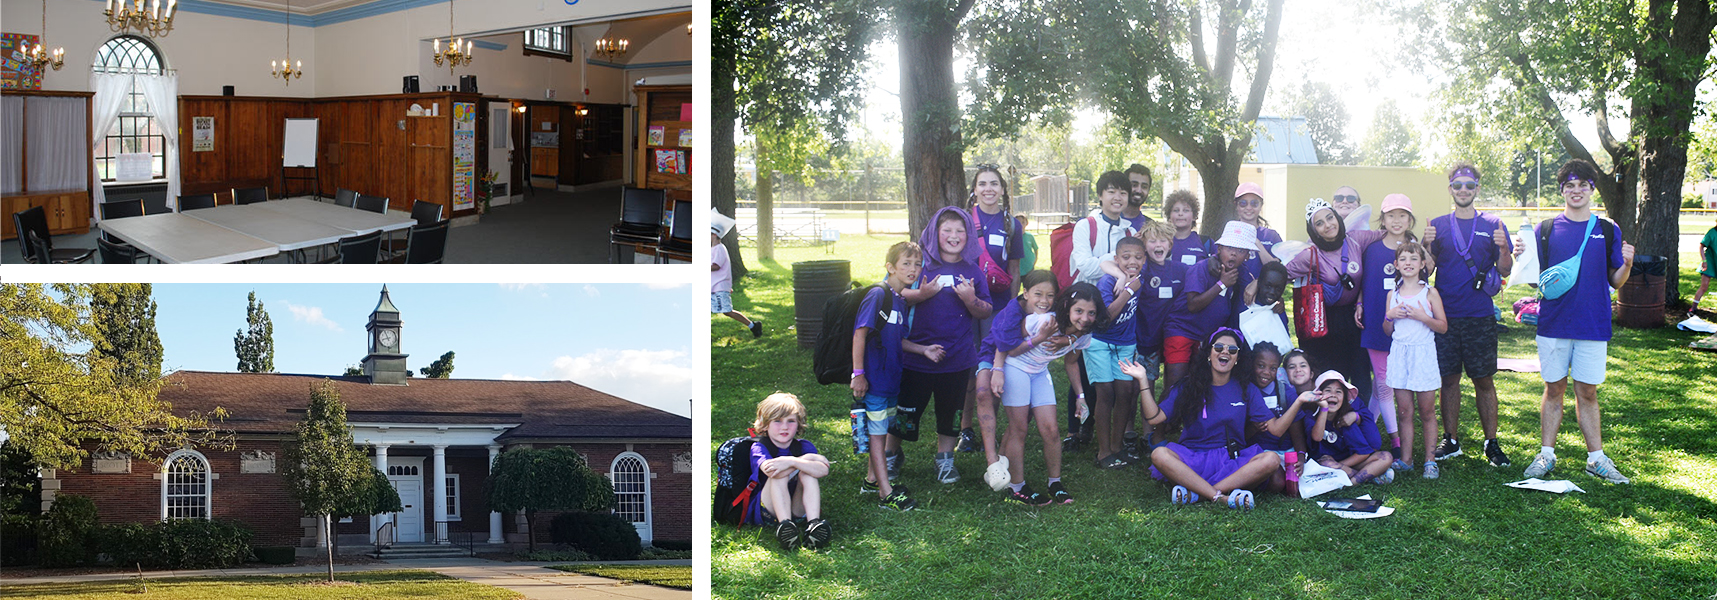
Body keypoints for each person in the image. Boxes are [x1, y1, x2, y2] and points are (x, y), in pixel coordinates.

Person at [1519, 159, 1635, 484]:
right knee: (1553, 389)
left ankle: (1596, 459)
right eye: (1570, 185)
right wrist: (1522, 260)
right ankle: (1546, 455)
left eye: (1583, 185)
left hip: (1592, 324)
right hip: (1553, 324)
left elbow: (1616, 281)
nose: (1576, 190)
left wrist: (1627, 264)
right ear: (1562, 191)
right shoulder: (1546, 230)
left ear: (1592, 189)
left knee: (1587, 392)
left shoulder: (1607, 229)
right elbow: (1536, 283)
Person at [1119, 328, 1313, 510]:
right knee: (1159, 454)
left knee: (1270, 459)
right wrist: (1143, 380)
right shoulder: (1188, 385)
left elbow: (1276, 429)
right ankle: (1220, 497)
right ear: (1209, 354)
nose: (1225, 352)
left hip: (1230, 460)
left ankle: (1200, 494)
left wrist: (1298, 402)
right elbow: (1154, 418)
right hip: (1191, 459)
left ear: (1237, 358)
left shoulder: (1247, 389)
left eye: (1233, 349)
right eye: (1219, 347)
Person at [1422, 163, 1514, 468]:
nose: (1463, 190)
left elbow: (1505, 270)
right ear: (1450, 189)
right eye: (1458, 185)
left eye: (1469, 186)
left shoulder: (1493, 223)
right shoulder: (1437, 225)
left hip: (1479, 316)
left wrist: (1503, 249)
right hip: (1444, 317)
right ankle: (1452, 440)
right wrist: (1425, 244)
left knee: (1483, 380)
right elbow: (1428, 269)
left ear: (1476, 189)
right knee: (1449, 380)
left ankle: (1492, 442)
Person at [897, 207, 993, 486]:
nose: (954, 236)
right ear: (935, 234)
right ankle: (892, 453)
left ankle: (945, 460)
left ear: (969, 235)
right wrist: (922, 294)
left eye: (960, 231)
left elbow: (985, 310)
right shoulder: (920, 265)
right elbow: (896, 295)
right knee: (906, 411)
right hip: (915, 356)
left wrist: (970, 299)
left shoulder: (972, 269)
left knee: (950, 412)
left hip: (957, 357)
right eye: (947, 230)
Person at [997, 282, 1106, 505]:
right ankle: (1016, 487)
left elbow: (1071, 362)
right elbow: (1006, 342)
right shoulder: (1045, 321)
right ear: (1067, 307)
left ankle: (1054, 482)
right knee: (1019, 428)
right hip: (1016, 367)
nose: (1084, 318)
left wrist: (1080, 396)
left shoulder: (1084, 334)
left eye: (1091, 313)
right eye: (1079, 311)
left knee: (1052, 430)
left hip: (1039, 372)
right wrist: (997, 370)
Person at [852, 241, 940, 511]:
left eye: (917, 264)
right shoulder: (879, 294)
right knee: (878, 437)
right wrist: (858, 374)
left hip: (891, 381)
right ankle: (885, 492)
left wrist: (923, 350)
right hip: (875, 382)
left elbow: (896, 339)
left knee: (883, 429)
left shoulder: (899, 300)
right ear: (890, 267)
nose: (913, 269)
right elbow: (860, 334)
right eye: (906, 263)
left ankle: (870, 480)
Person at [1285, 198, 1386, 418]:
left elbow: (1387, 236)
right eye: (1319, 223)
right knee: (1331, 378)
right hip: (1324, 323)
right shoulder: (1310, 254)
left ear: (1338, 218)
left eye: (1330, 217)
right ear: (1314, 231)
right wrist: (1262, 289)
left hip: (1356, 318)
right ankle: (1330, 427)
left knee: (1360, 376)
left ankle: (1360, 422)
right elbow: (1281, 274)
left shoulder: (1356, 240)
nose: (1328, 225)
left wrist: (1421, 245)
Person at [1064, 171, 1137, 448]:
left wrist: (1119, 271)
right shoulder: (1087, 225)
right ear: (1100, 195)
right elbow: (1084, 263)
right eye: (1111, 191)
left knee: (1105, 371)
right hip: (1085, 306)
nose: (1117, 197)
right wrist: (1115, 266)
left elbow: (1135, 266)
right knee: (1080, 365)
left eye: (1122, 192)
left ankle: (1100, 430)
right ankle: (1076, 430)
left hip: (1117, 308)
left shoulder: (1130, 230)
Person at [959, 166, 1025, 455]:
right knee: (967, 366)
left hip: (997, 306)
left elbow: (1014, 269)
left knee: (993, 364)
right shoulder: (962, 221)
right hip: (961, 304)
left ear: (1002, 189)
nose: (988, 189)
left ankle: (991, 425)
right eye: (982, 183)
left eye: (994, 184)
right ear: (974, 189)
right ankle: (965, 430)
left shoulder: (1012, 225)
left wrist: (1012, 309)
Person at [1356, 194, 1423, 464]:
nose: (1397, 221)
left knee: (1381, 384)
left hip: (1407, 325)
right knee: (1385, 383)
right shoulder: (1371, 248)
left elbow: (1424, 282)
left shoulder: (1416, 249)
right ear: (1382, 219)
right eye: (1391, 215)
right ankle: (1395, 441)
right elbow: (1363, 281)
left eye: (1402, 215)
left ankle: (1366, 433)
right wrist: (1359, 303)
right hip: (1375, 322)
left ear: (1410, 220)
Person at [978, 270, 1058, 489]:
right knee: (984, 393)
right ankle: (993, 462)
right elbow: (1006, 347)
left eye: (1050, 296)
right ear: (1025, 293)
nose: (1044, 301)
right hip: (992, 353)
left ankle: (1003, 459)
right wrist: (997, 370)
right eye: (1038, 294)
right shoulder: (1013, 311)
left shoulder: (1049, 314)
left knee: (1021, 419)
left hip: (1023, 362)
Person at [1162, 221, 1260, 392]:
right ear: (1219, 248)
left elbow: (1261, 286)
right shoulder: (1201, 269)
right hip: (1182, 330)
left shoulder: (1241, 272)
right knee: (1175, 385)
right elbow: (1192, 305)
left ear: (1247, 256)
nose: (1233, 254)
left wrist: (1257, 284)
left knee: (1196, 384)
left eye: (1241, 251)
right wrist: (1222, 284)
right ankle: (1161, 418)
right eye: (1229, 248)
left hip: (1206, 337)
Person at [1380, 241, 1448, 479]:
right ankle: (1406, 459)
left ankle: (1430, 460)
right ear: (1396, 265)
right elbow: (1388, 330)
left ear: (1422, 264)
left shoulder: (1429, 293)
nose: (1408, 263)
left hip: (1423, 354)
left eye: (1413, 259)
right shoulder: (1393, 294)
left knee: (1427, 410)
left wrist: (1423, 317)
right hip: (1400, 354)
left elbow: (1442, 326)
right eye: (1404, 259)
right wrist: (1389, 316)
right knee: (1404, 411)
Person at [1089, 236, 1146, 468]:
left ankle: (1117, 447)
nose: (1132, 261)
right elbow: (1105, 319)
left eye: (1138, 257)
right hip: (1100, 343)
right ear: (1117, 259)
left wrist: (1130, 280)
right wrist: (1127, 289)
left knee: (1125, 392)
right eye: (1126, 257)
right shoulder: (1107, 282)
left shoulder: (1140, 276)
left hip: (1125, 343)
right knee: (1105, 393)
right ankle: (1103, 453)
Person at [748, 393, 832, 550]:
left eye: (791, 421)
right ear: (765, 425)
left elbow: (823, 470)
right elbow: (772, 471)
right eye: (777, 421)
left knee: (808, 473)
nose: (785, 427)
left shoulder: (803, 446)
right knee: (779, 475)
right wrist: (804, 461)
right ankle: (785, 526)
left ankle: (813, 524)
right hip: (768, 509)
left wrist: (792, 461)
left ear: (798, 424)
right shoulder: (759, 447)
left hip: (796, 506)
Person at [1304, 372, 1395, 485]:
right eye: (1328, 390)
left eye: (1338, 392)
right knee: (1327, 464)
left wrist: (1340, 465)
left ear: (1344, 398)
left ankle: (1352, 482)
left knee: (1386, 457)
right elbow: (1317, 437)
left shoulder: (1345, 420)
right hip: (1322, 465)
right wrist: (1324, 408)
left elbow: (1363, 453)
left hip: (1346, 462)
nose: (1333, 394)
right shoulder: (1310, 416)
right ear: (1318, 394)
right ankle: (1368, 476)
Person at [712, 224, 761, 338]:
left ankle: (753, 326)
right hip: (714, 286)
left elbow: (716, 266)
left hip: (719, 286)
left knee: (727, 311)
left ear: (714, 235)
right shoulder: (713, 249)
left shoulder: (720, 248)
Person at [1232, 182, 1283, 281]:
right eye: (1243, 203)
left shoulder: (1272, 236)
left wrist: (1256, 243)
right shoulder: (1230, 232)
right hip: (1234, 293)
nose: (1249, 208)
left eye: (1254, 203)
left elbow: (1275, 270)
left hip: (1263, 293)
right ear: (1236, 206)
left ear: (1261, 206)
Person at [1164, 190, 1213, 268]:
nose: (1180, 214)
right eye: (1176, 210)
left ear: (1194, 216)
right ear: (1169, 216)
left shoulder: (1206, 243)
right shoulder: (1162, 242)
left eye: (1186, 210)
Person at [1123, 163, 1156, 231]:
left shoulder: (1152, 227)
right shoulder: (1106, 222)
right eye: (1134, 185)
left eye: (1144, 187)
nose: (1139, 190)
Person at [1694, 220, 1715, 314]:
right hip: (1710, 263)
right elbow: (1701, 246)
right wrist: (1704, 261)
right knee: (1704, 286)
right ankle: (1693, 308)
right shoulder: (1712, 232)